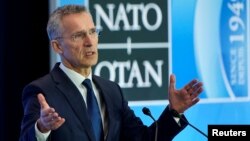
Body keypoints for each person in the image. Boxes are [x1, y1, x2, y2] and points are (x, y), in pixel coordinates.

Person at [19, 4, 203, 141]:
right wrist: (42, 128)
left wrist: (174, 112)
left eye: (92, 32)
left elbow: (144, 139)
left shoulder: (111, 91)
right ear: (57, 46)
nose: (90, 41)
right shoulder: (41, 91)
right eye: (78, 35)